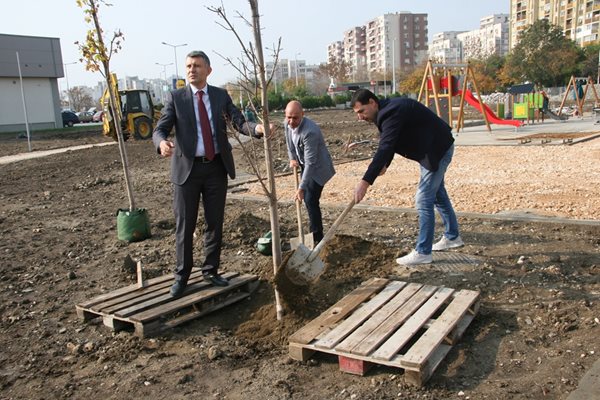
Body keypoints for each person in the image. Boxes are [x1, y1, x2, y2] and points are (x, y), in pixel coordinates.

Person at [153, 50, 265, 297]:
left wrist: (256, 128)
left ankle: (210, 270)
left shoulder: (219, 96)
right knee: (185, 223)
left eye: (197, 66)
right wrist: (161, 143)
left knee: (215, 222)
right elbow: (160, 129)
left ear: (208, 70)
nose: (192, 70)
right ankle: (182, 276)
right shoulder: (176, 98)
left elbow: (238, 122)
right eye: (189, 66)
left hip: (216, 168)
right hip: (187, 171)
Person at [350, 89, 463, 266]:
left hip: (437, 149)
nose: (360, 117)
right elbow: (391, 140)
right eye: (357, 114)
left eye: (361, 111)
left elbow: (386, 146)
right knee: (438, 194)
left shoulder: (391, 112)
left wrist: (365, 182)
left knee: (423, 198)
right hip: (434, 147)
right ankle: (452, 236)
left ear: (372, 102)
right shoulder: (386, 111)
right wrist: (385, 164)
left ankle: (423, 252)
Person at [284, 100, 335, 244]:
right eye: (289, 117)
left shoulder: (310, 131)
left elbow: (311, 163)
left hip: (318, 168)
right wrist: (292, 158)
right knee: (308, 198)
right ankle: (313, 233)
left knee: (310, 199)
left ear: (303, 115)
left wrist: (301, 187)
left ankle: (317, 237)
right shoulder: (287, 123)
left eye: (295, 118)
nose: (291, 121)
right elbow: (289, 143)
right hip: (303, 164)